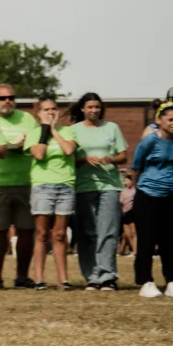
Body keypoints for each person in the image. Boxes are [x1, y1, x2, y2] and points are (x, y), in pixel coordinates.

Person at [70, 92, 129, 290]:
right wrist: (84, 160)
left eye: (97, 107)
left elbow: (123, 156)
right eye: (90, 107)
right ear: (82, 109)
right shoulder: (73, 130)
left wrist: (110, 159)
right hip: (84, 186)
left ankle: (107, 276)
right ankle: (92, 276)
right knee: (88, 233)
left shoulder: (112, 128)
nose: (94, 110)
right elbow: (67, 159)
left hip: (109, 185)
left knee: (108, 231)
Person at [128, 103, 173, 298]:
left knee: (172, 241)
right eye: (170, 119)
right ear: (158, 121)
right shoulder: (149, 141)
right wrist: (138, 191)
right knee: (147, 241)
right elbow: (135, 167)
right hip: (147, 196)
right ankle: (145, 281)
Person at [0, 83, 38, 290]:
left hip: (26, 181)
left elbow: (34, 144)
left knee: (26, 230)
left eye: (11, 97)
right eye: (2, 98)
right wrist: (10, 145)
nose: (7, 101)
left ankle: (22, 277)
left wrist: (13, 145)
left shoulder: (26, 118)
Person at [26, 98, 77, 290]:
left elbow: (69, 149)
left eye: (54, 109)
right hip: (42, 185)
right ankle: (39, 278)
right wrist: (45, 130)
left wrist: (54, 130)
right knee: (41, 233)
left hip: (65, 184)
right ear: (38, 113)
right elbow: (39, 154)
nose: (50, 112)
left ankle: (63, 279)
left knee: (60, 234)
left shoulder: (68, 131)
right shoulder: (34, 133)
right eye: (46, 110)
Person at [119, 172, 137, 257]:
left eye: (127, 180)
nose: (126, 182)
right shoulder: (123, 191)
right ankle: (132, 250)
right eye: (125, 181)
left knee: (133, 233)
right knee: (127, 234)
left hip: (132, 212)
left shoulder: (135, 191)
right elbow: (121, 202)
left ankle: (135, 251)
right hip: (124, 213)